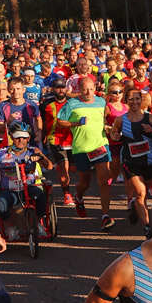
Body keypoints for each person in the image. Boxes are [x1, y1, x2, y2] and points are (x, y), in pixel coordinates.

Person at [0, 128, 51, 242]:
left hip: (29, 187)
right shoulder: (1, 153)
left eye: (24, 137)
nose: (21, 140)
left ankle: (38, 223)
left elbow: (49, 166)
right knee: (1, 203)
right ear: (12, 137)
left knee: (41, 198)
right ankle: (11, 227)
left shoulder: (33, 150)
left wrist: (40, 158)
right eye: (18, 137)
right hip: (9, 190)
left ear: (28, 138)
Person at [58, 76, 114, 230]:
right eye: (85, 89)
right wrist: (77, 123)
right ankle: (79, 197)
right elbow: (60, 122)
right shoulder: (71, 103)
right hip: (81, 148)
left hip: (100, 145)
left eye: (91, 89)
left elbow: (104, 119)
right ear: (79, 90)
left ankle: (105, 216)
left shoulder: (101, 102)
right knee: (85, 182)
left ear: (95, 88)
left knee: (104, 181)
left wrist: (107, 128)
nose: (88, 92)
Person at [109, 83, 152, 229]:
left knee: (144, 192)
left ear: (141, 100)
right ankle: (148, 227)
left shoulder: (151, 118)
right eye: (131, 99)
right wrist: (114, 136)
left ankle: (137, 208)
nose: (134, 102)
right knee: (141, 193)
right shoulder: (121, 120)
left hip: (148, 161)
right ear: (126, 102)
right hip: (130, 161)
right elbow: (114, 136)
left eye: (137, 99)